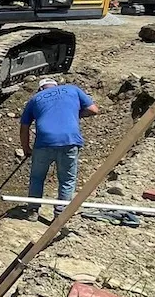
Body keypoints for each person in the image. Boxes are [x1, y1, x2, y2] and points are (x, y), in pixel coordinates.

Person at [20, 77, 99, 220]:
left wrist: (26, 149)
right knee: (67, 179)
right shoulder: (72, 89)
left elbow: (24, 127)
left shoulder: (35, 99)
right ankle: (60, 214)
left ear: (41, 89)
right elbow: (93, 110)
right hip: (69, 141)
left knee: (37, 177)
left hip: (44, 142)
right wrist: (76, 114)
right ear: (56, 86)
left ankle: (32, 211)